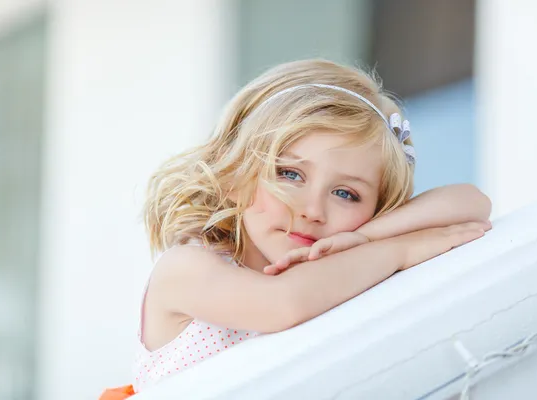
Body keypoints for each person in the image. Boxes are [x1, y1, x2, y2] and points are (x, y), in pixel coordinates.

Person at [101, 59, 491, 398]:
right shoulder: (185, 268)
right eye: (290, 174)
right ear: (235, 175)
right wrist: (398, 251)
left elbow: (471, 203)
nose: (312, 210)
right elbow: (282, 304)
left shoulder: (346, 260)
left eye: (345, 193)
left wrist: (366, 236)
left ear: (376, 209)